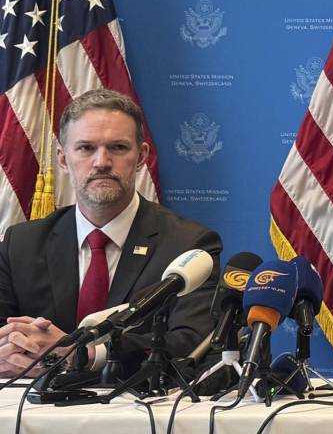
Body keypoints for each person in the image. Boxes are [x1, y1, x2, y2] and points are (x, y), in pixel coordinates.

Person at [0, 89, 222, 377]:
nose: (102, 162)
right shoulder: (21, 244)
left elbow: (190, 345)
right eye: (86, 148)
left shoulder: (188, 245)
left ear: (141, 157)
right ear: (63, 159)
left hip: (135, 404)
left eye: (118, 147)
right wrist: (13, 351)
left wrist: (81, 355)